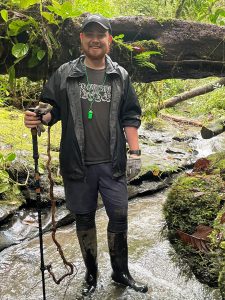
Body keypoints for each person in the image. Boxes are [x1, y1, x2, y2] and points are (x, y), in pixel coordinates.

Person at [24, 14, 148, 295]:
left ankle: (121, 273)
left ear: (109, 41)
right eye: (89, 34)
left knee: (119, 217)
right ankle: (91, 276)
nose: (95, 39)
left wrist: (135, 153)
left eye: (101, 35)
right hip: (77, 164)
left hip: (113, 163)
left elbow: (130, 116)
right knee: (83, 219)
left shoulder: (120, 75)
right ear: (81, 39)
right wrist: (37, 118)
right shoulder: (65, 73)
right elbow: (50, 109)